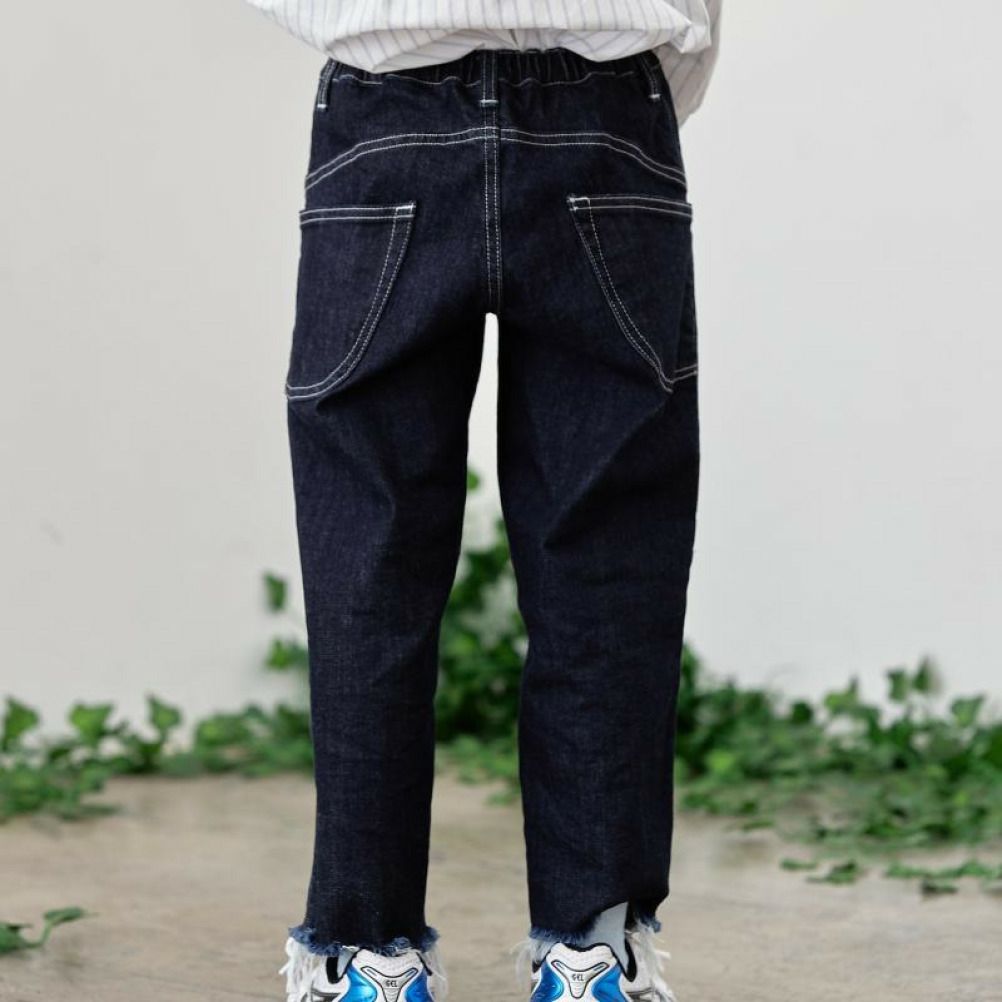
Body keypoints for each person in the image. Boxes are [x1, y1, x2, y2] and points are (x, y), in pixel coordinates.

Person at [243, 3, 722, 1000]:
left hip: (383, 116)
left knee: (368, 560)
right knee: (604, 558)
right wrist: (632, 78)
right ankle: (591, 953)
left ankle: (368, 957)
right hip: (609, 122)